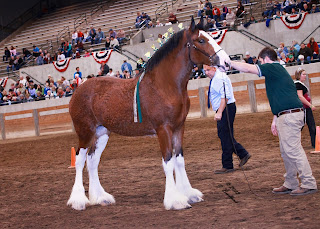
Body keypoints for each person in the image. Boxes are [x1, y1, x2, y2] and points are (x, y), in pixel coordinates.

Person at [229, 46, 317, 195]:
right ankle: (291, 182)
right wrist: (275, 120)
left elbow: (249, 69)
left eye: (261, 61)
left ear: (267, 59)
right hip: (286, 114)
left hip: (290, 116)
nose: (261, 64)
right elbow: (281, 97)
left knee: (293, 150)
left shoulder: (272, 67)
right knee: (286, 151)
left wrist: (229, 62)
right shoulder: (277, 71)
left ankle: (308, 182)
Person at [204, 65, 251, 174]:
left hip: (225, 108)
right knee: (225, 135)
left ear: (214, 68)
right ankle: (242, 154)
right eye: (204, 70)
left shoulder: (219, 79)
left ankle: (228, 165)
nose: (206, 73)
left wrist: (219, 112)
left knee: (225, 135)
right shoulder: (216, 78)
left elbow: (225, 97)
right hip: (225, 108)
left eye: (208, 70)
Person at [294, 68, 316, 148]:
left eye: (305, 74)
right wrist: (310, 105)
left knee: (310, 126)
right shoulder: (298, 84)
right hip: (304, 108)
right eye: (303, 74)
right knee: (304, 126)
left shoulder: (300, 84)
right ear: (299, 75)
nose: (305, 76)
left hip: (305, 108)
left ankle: (315, 143)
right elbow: (300, 96)